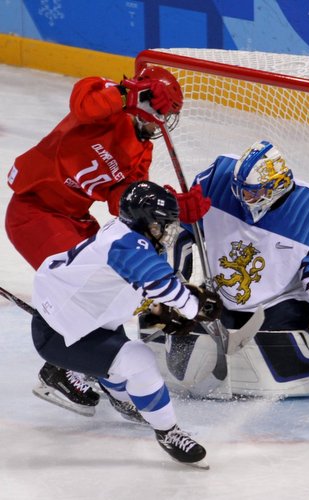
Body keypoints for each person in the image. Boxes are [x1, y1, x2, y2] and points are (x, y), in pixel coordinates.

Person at [5, 65, 211, 419]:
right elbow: (84, 104)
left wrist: (172, 205)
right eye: (160, 114)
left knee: (106, 285)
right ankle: (57, 367)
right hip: (35, 212)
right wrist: (126, 94)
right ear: (144, 102)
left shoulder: (141, 149)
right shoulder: (105, 101)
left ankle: (101, 365)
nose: (161, 125)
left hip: (75, 219)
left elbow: (123, 201)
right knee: (73, 287)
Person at [165, 140, 309, 395]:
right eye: (239, 189)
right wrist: (175, 284)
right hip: (220, 296)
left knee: (277, 349)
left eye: (252, 192)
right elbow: (183, 230)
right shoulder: (218, 179)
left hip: (281, 303)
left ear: (278, 186)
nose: (243, 198)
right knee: (182, 331)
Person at [30, 181, 221, 468]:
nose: (166, 232)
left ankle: (119, 397)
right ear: (145, 222)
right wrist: (195, 308)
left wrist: (167, 306)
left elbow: (148, 283)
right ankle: (168, 433)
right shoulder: (125, 243)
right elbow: (159, 283)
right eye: (161, 225)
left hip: (83, 319)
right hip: (61, 335)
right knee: (139, 360)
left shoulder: (123, 233)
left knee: (120, 369)